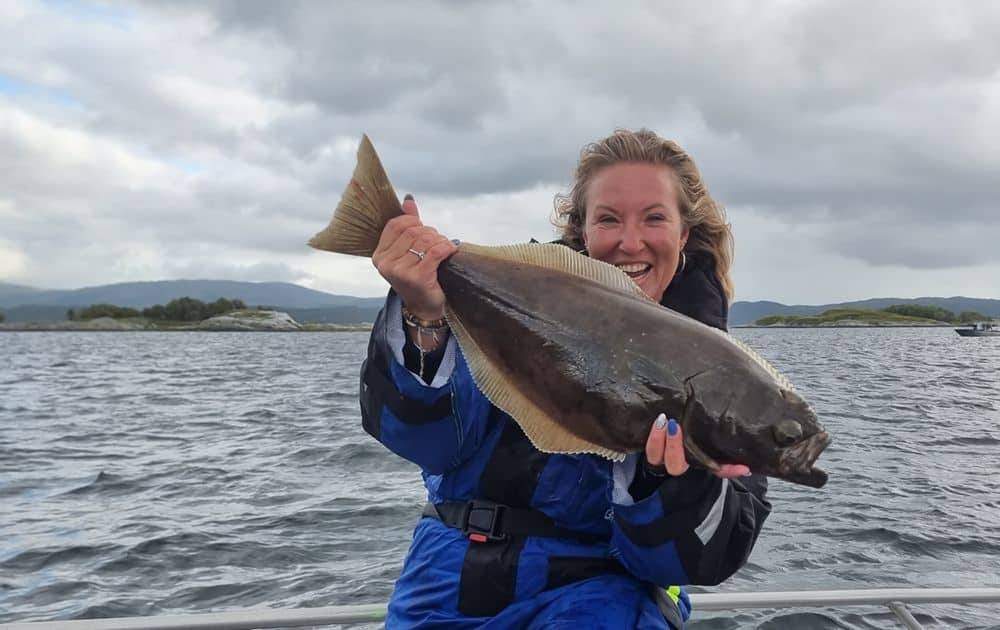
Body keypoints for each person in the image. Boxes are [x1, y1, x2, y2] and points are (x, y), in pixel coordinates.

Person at [358, 128, 771, 628]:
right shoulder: (504, 308)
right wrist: (423, 318)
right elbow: (426, 443)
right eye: (608, 219)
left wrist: (670, 483)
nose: (629, 241)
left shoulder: (728, 380)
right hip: (446, 583)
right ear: (582, 232)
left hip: (607, 598)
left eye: (655, 218)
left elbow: (704, 560)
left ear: (685, 233)